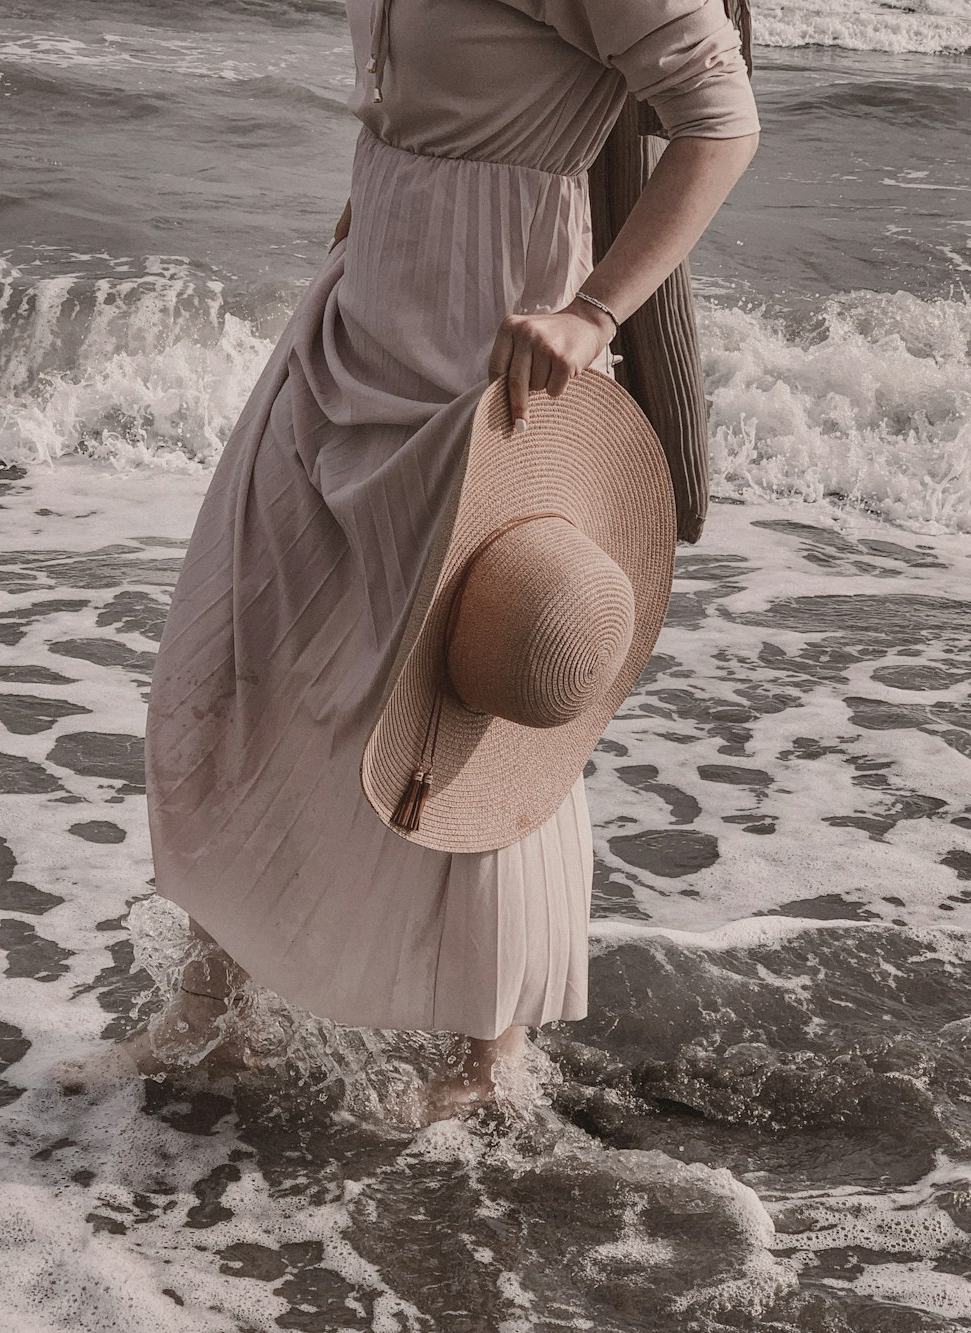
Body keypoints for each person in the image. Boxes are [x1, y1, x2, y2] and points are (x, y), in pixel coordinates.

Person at [120, 0, 760, 1123]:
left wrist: (594, 313)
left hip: (491, 358)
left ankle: (488, 1060)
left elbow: (721, 119)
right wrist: (361, 218)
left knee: (465, 707)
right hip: (349, 328)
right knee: (242, 654)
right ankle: (214, 1006)